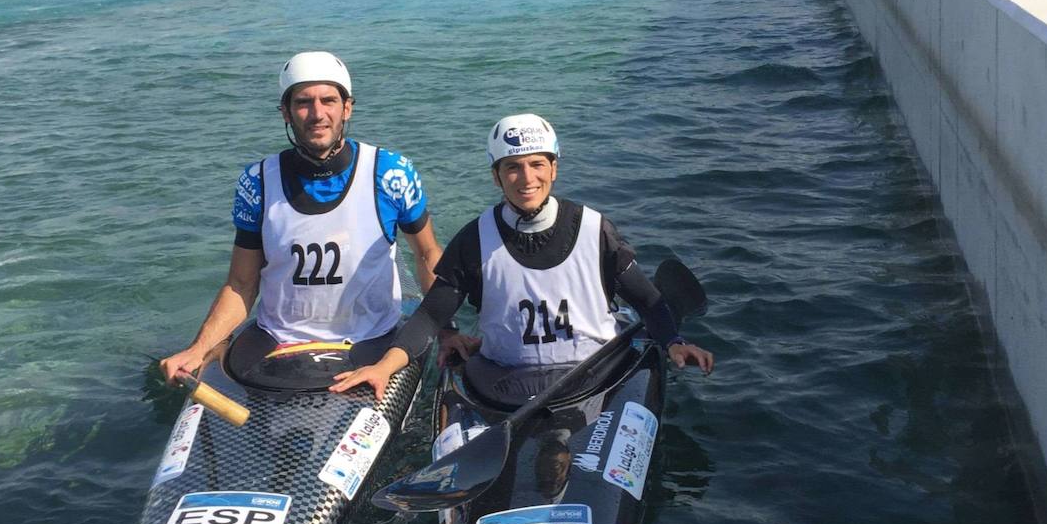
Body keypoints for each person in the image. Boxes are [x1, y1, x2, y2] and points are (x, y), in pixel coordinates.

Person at [333, 113, 714, 398]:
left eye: (536, 164)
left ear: (554, 169)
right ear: (496, 176)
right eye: (512, 167)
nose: (526, 178)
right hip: (504, 382)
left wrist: (673, 342)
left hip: (596, 374)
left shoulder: (595, 229)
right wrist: (384, 367)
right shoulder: (474, 240)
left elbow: (647, 299)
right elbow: (431, 315)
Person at [160, 52, 443, 401]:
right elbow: (241, 283)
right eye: (304, 102)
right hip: (277, 338)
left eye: (329, 100)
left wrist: (449, 330)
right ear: (286, 112)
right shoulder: (258, 181)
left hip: (370, 337)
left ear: (347, 108)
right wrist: (198, 347)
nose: (318, 114)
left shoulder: (391, 173)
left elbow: (428, 253)